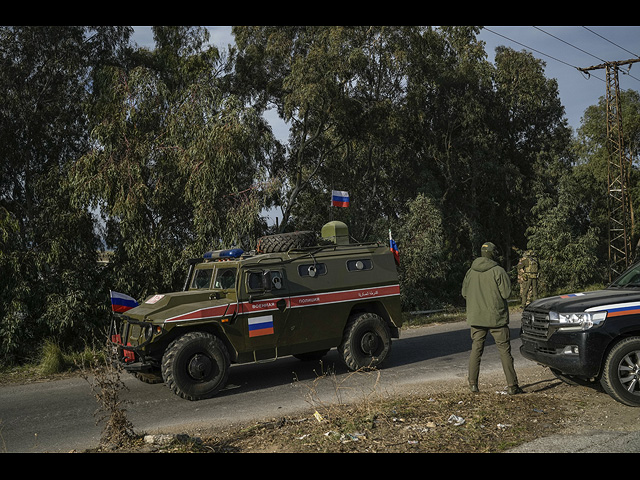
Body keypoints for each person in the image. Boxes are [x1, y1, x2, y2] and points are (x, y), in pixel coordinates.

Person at [462, 242, 523, 395]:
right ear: (493, 254)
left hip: (476, 318)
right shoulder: (498, 271)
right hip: (497, 317)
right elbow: (506, 293)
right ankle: (512, 386)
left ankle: (473, 385)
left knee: (476, 349)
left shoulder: (470, 271)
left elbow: (464, 293)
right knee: (504, 351)